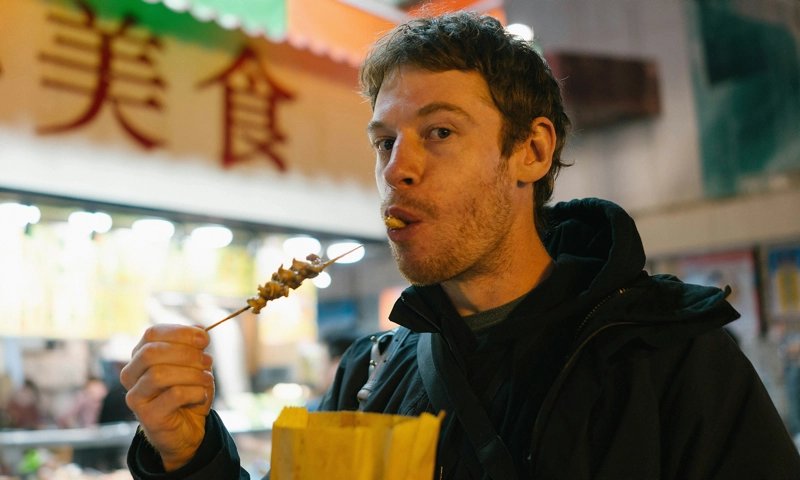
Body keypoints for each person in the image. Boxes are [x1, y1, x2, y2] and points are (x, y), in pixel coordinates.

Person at [121, 11, 800, 479]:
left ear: (530, 152)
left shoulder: (671, 359)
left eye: (439, 132)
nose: (398, 168)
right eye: (384, 142)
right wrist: (187, 456)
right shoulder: (370, 377)